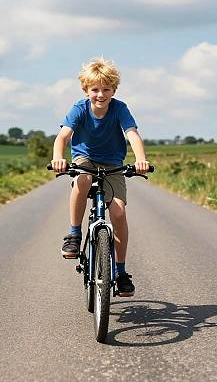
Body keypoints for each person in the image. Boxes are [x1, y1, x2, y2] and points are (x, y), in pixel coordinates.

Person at [51, 57, 150, 297]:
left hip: (113, 163)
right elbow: (63, 137)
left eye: (106, 89)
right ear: (86, 90)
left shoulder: (120, 108)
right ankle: (74, 234)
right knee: (82, 180)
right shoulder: (79, 108)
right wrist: (58, 157)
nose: (100, 94)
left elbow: (132, 134)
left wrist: (140, 159)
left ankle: (121, 271)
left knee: (118, 211)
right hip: (84, 159)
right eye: (95, 89)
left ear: (114, 90)